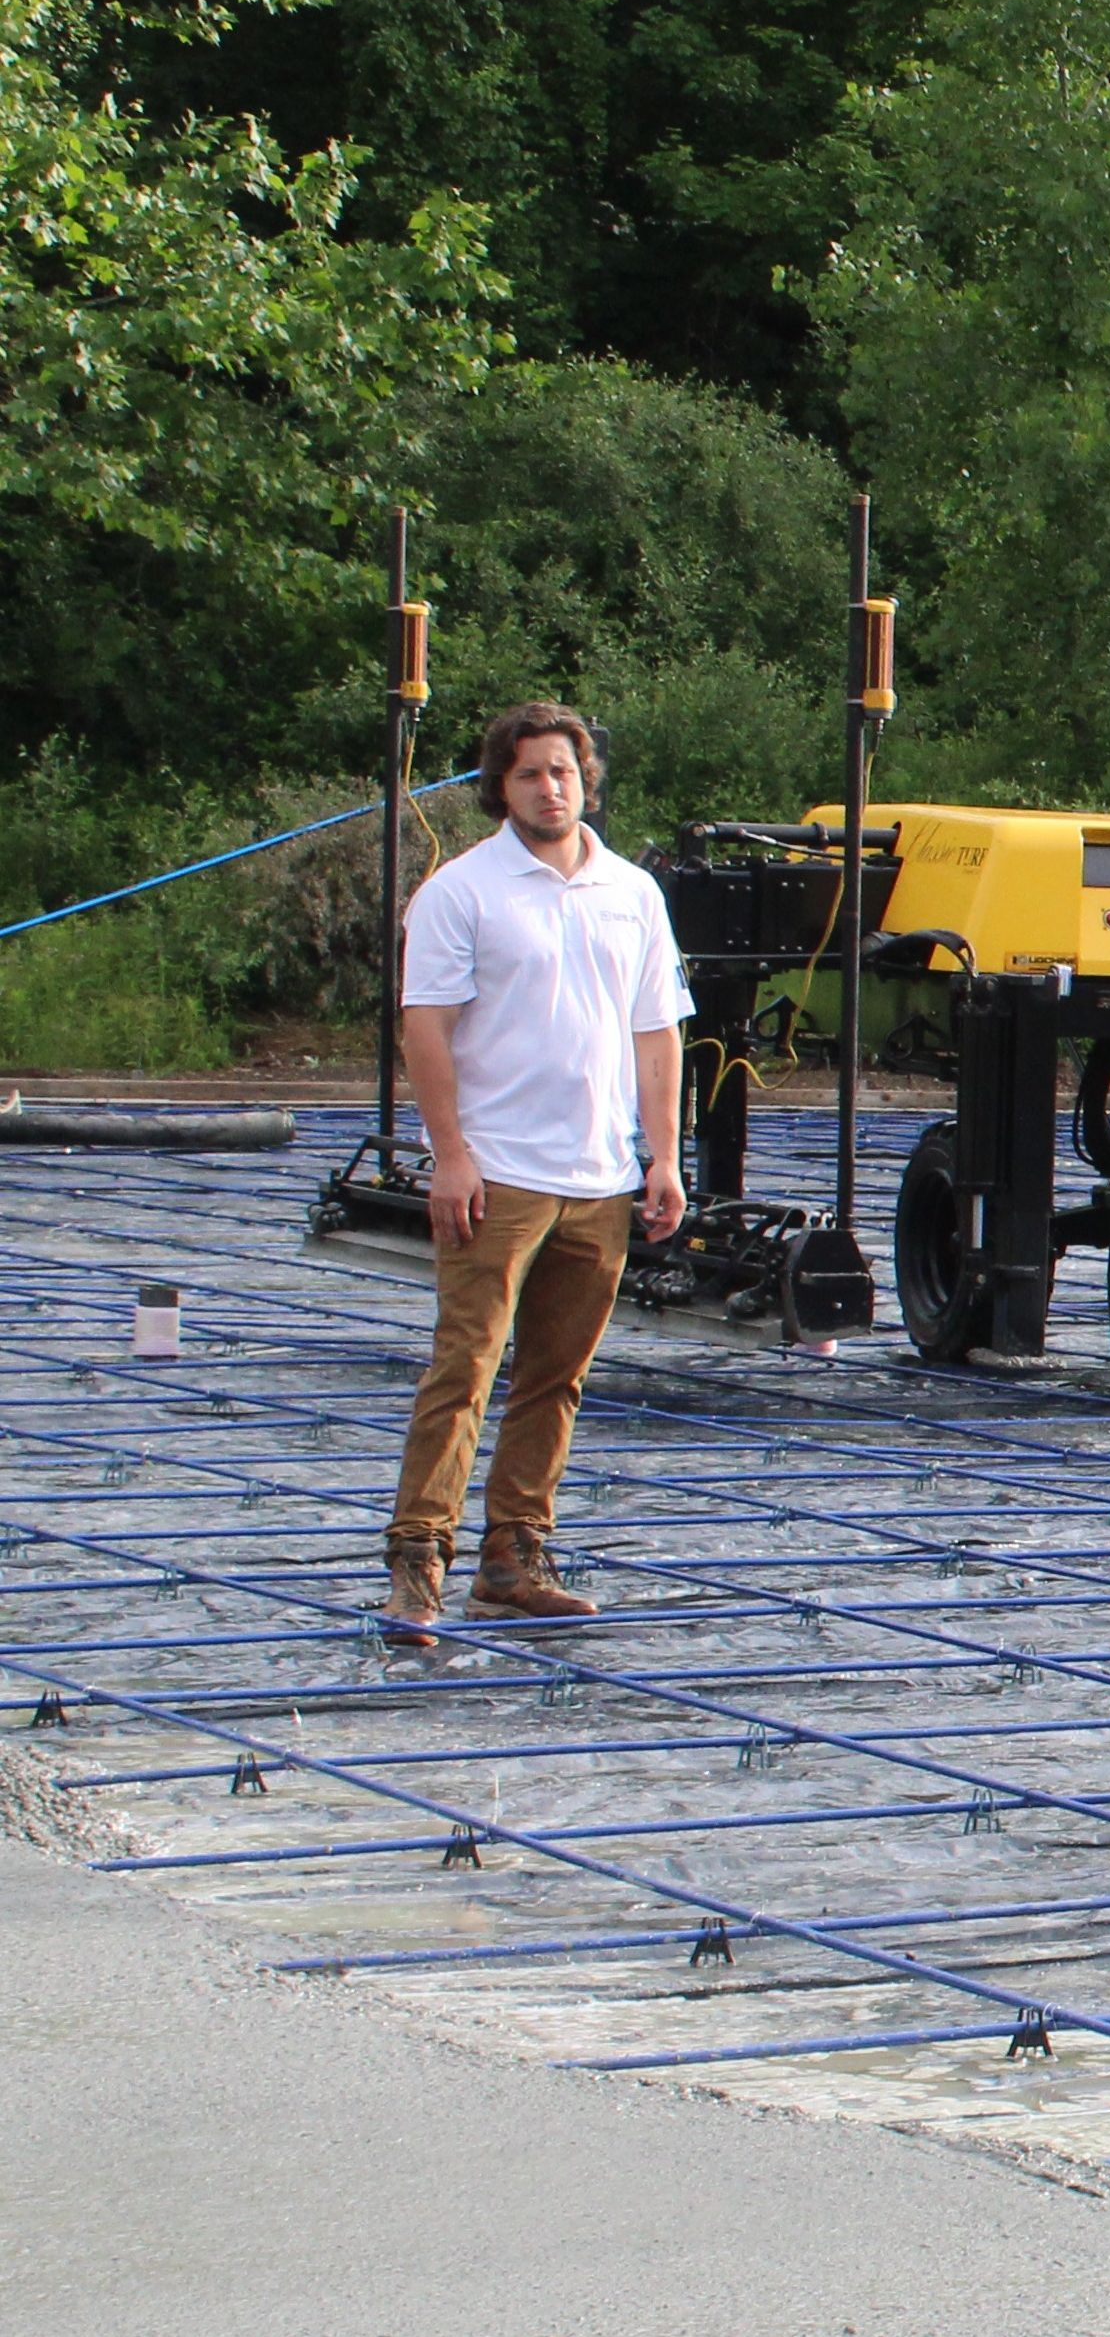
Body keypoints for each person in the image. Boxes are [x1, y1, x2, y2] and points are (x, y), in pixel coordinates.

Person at [382, 703, 690, 1642]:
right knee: (465, 1368)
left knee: (556, 1377)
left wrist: (665, 1154)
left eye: (562, 771)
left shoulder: (631, 891)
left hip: (597, 1176)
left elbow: (656, 1031)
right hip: (499, 1174)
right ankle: (417, 1563)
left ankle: (513, 1556)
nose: (550, 788)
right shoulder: (461, 892)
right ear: (499, 786)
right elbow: (425, 1027)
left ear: (584, 778)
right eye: (530, 774)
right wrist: (452, 1155)